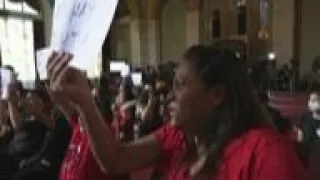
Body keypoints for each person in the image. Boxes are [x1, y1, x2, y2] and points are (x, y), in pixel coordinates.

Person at [47, 45, 305, 180]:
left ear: (217, 95)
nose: (169, 95)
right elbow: (115, 159)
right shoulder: (179, 138)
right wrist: (84, 102)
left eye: (180, 85)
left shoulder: (264, 151)